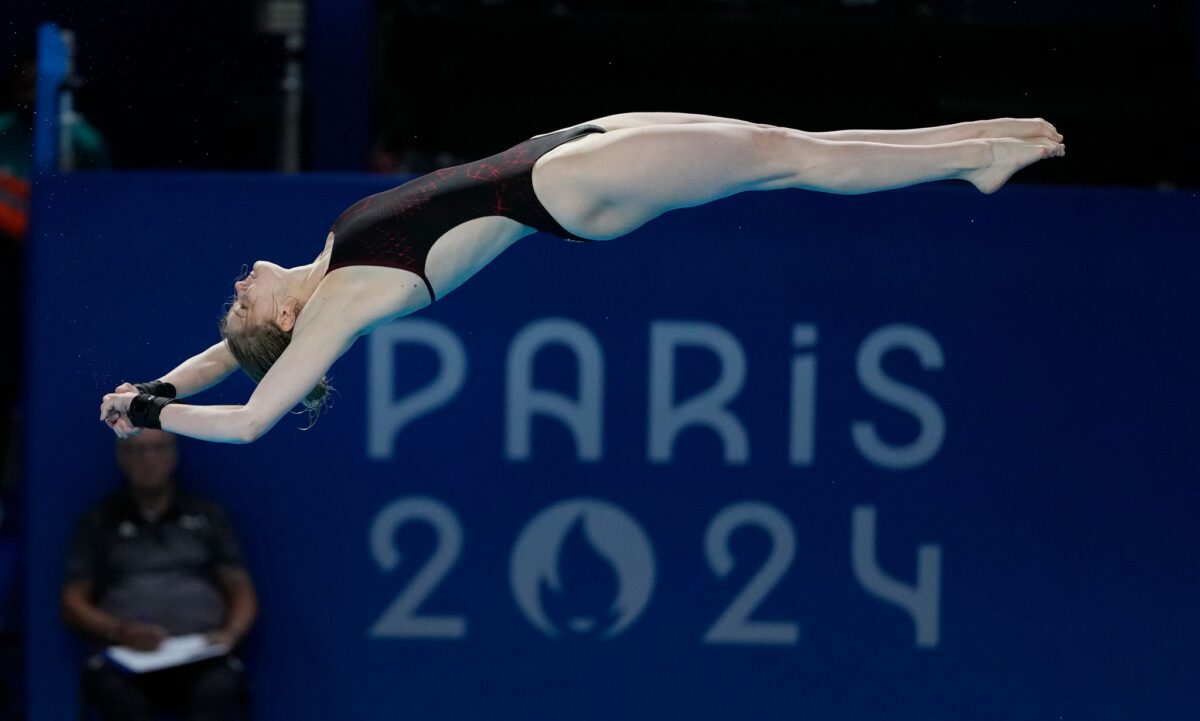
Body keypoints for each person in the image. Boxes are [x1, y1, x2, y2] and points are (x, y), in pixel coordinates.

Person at [99, 111, 1065, 443]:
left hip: (557, 153)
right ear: (289, 319)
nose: (243, 281)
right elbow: (259, 413)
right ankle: (972, 158)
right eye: (243, 299)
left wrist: (151, 388)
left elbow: (227, 362)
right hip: (563, 193)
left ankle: (977, 144)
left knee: (785, 144)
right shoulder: (345, 302)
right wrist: (156, 421)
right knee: (789, 162)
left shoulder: (320, 268)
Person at [62, 430, 257, 721]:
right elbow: (72, 602)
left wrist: (231, 633)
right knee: (108, 683)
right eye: (137, 451)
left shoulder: (206, 516)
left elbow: (242, 590)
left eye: (157, 449)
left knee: (221, 682)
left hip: (200, 655)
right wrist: (119, 630)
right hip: (127, 657)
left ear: (174, 455)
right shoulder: (99, 521)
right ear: (122, 459)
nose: (148, 459)